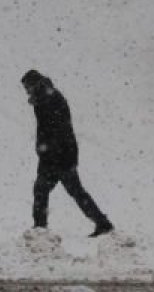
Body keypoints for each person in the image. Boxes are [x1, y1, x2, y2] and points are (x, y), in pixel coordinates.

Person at [21, 69, 114, 237]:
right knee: (62, 191)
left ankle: (40, 228)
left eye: (27, 87)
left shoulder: (49, 99)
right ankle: (102, 223)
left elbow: (57, 130)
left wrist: (48, 151)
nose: (26, 91)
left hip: (59, 156)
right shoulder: (45, 98)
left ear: (34, 84)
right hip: (57, 155)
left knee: (51, 190)